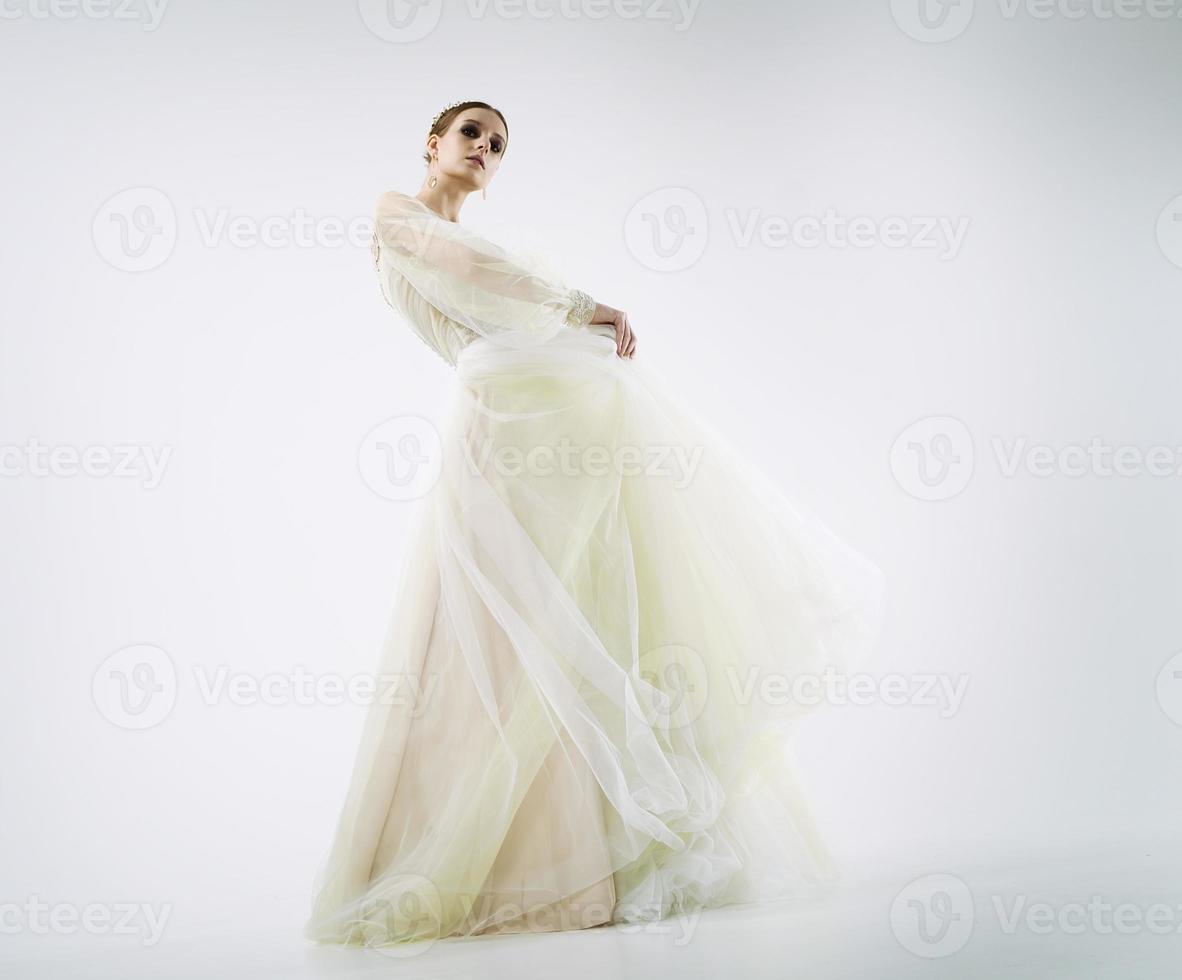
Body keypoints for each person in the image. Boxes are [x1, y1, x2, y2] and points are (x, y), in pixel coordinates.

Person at [305, 100, 887, 947]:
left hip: (540, 419)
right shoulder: (398, 216)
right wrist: (585, 306)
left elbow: (497, 292)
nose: (485, 149)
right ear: (433, 144)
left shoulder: (464, 241)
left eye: (498, 145)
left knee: (574, 619)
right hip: (502, 428)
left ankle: (590, 858)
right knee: (494, 635)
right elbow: (483, 282)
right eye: (473, 134)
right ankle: (482, 866)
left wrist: (577, 328)